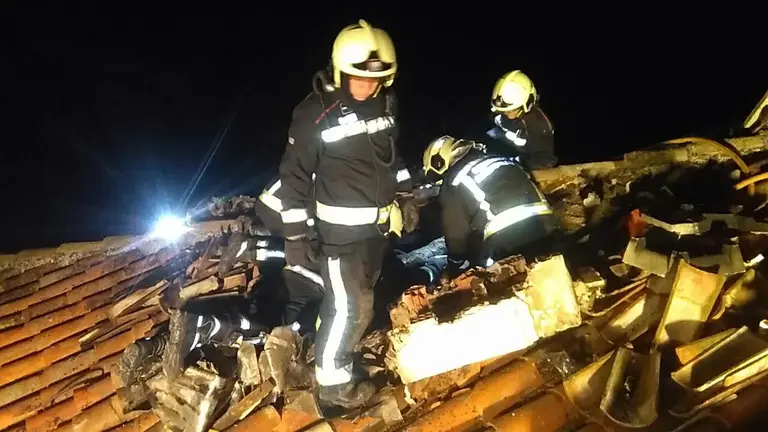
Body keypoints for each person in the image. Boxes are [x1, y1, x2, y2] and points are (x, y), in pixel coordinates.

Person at [278, 19, 404, 408]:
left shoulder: (386, 102)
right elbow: (293, 178)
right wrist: (296, 239)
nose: (368, 86)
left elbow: (392, 159)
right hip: (338, 237)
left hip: (375, 232)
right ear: (338, 71)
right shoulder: (315, 114)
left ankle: (331, 355)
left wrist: (406, 197)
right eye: (358, 79)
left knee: (354, 302)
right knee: (351, 307)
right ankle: (334, 387)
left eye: (377, 79)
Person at [422, 135, 559, 279]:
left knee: (494, 278)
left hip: (507, 239)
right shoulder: (500, 158)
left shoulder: (454, 180)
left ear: (440, 162)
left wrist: (455, 263)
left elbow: (456, 231)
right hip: (547, 226)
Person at [487, 70, 558, 170]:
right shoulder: (500, 108)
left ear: (526, 104)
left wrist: (516, 165)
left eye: (512, 110)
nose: (506, 114)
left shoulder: (539, 126)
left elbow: (545, 160)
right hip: (498, 149)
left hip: (519, 161)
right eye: (503, 111)